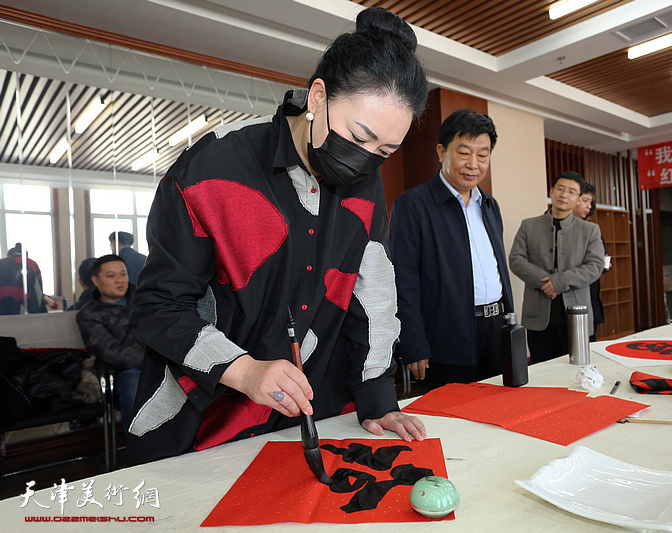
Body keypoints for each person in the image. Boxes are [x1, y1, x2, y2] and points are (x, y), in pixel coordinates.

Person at [127, 7, 428, 464]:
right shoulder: (214, 168)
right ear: (318, 96)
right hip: (203, 422)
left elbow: (374, 295)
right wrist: (244, 370)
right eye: (358, 136)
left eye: (384, 151)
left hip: (313, 417)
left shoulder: (365, 185)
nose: (365, 160)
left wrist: (378, 397)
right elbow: (159, 306)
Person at [389, 109, 514, 390]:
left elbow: (498, 269)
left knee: (499, 411)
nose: (473, 164)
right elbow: (403, 281)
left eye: (483, 155)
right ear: (441, 152)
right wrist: (413, 342)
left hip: (495, 331)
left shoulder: (490, 205)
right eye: (464, 153)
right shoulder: (413, 205)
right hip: (445, 336)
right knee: (453, 422)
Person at [509, 171, 604, 364]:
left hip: (577, 315)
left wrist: (558, 282)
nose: (564, 195)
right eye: (560, 189)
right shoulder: (529, 226)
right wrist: (545, 281)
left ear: (578, 199)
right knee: (541, 369)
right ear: (551, 191)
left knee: (578, 369)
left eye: (571, 192)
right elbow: (516, 259)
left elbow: (595, 266)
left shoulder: (589, 230)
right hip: (538, 315)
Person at [76, 255, 144, 431]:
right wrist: (152, 364)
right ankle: (141, 453)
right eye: (111, 276)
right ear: (95, 281)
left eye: (123, 274)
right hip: (127, 370)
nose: (119, 280)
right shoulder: (89, 314)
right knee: (134, 390)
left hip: (163, 362)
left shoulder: (143, 298)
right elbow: (109, 351)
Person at [573, 183, 610, 341]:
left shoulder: (592, 230)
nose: (589, 206)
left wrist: (600, 265)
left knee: (587, 343)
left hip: (589, 294)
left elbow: (603, 261)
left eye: (590, 202)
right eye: (586, 201)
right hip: (565, 296)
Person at [0, 243, 46, 315]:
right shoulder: (30, 263)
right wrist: (41, 309)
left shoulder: (1, 263)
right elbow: (38, 289)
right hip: (26, 304)